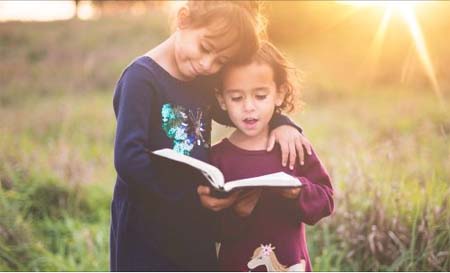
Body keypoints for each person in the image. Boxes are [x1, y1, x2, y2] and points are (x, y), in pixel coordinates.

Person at [111, 1, 312, 271]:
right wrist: (190, 198)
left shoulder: (202, 79)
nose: (208, 64)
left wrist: (280, 122)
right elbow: (128, 160)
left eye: (221, 61)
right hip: (146, 225)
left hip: (195, 222)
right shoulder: (141, 79)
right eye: (205, 48)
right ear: (183, 19)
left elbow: (239, 114)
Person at [211, 41, 334, 271]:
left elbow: (326, 200)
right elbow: (210, 229)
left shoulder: (292, 146)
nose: (249, 107)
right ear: (221, 99)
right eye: (236, 98)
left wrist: (299, 191)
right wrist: (236, 213)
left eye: (260, 96)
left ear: (279, 94)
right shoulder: (217, 158)